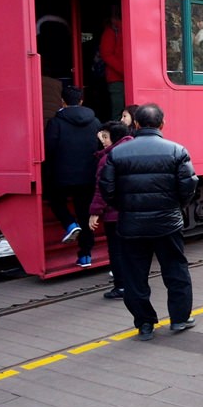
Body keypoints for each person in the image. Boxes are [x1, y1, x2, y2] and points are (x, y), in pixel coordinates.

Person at [100, 103, 198, 341]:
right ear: (162, 124)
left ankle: (144, 324)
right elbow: (188, 186)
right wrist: (175, 207)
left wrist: (125, 208)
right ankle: (179, 319)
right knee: (175, 270)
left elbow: (107, 189)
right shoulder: (177, 150)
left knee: (134, 275)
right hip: (168, 223)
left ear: (136, 124)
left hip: (131, 225)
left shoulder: (116, 153)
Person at [44, 85, 101, 267]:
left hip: (63, 177)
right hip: (88, 177)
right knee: (85, 213)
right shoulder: (95, 122)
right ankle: (85, 255)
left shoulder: (55, 123)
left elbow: (49, 149)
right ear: (82, 101)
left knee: (55, 199)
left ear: (63, 102)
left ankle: (69, 224)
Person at [88, 121, 133, 299]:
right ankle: (134, 283)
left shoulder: (108, 159)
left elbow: (102, 188)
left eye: (106, 137)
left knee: (116, 250)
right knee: (132, 250)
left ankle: (121, 287)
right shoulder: (134, 150)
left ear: (115, 138)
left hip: (114, 214)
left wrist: (95, 212)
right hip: (132, 211)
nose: (103, 141)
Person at [100, 8, 125, 120]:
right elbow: (106, 54)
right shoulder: (112, 30)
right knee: (118, 112)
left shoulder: (114, 29)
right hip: (117, 79)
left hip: (119, 77)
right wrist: (125, 70)